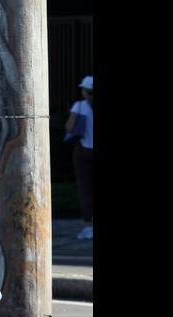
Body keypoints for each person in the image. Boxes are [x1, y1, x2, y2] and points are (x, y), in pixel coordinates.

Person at [65, 75, 94, 240]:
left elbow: (69, 127)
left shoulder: (79, 106)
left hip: (83, 151)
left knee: (85, 189)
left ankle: (89, 226)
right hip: (85, 151)